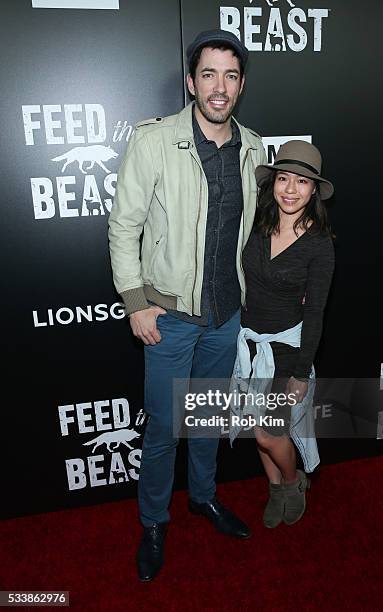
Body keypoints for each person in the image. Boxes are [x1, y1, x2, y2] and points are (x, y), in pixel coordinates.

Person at [108, 29, 267, 581]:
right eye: (208, 74)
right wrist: (136, 303)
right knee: (163, 430)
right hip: (170, 317)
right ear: (191, 82)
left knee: (207, 421)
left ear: (241, 85)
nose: (218, 87)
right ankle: (154, 521)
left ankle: (203, 497)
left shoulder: (254, 147)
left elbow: (253, 232)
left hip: (226, 317)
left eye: (230, 75)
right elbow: (123, 226)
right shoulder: (153, 142)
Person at [232, 140, 335, 529]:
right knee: (257, 427)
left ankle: (293, 482)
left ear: (314, 190)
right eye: (284, 178)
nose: (290, 190)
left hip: (287, 351)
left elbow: (316, 312)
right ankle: (275, 486)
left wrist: (300, 373)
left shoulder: (320, 246)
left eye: (302, 182)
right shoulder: (257, 224)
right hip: (249, 345)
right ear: (273, 182)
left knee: (265, 433)